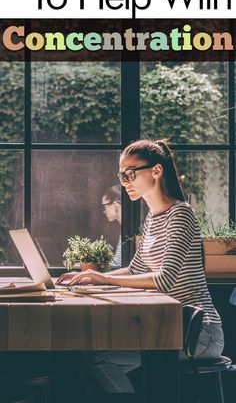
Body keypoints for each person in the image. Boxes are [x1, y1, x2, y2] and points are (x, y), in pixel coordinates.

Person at [57, 138, 224, 393]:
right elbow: (136, 270)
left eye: (130, 174)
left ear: (156, 170)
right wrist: (93, 276)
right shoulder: (151, 219)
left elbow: (164, 279)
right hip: (170, 327)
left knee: (99, 358)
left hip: (200, 333)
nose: (124, 182)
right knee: (91, 354)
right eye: (121, 175)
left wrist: (104, 280)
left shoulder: (181, 213)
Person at [102, 185, 122, 267]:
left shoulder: (129, 231)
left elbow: (118, 265)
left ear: (115, 204)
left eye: (105, 206)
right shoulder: (124, 229)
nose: (104, 211)